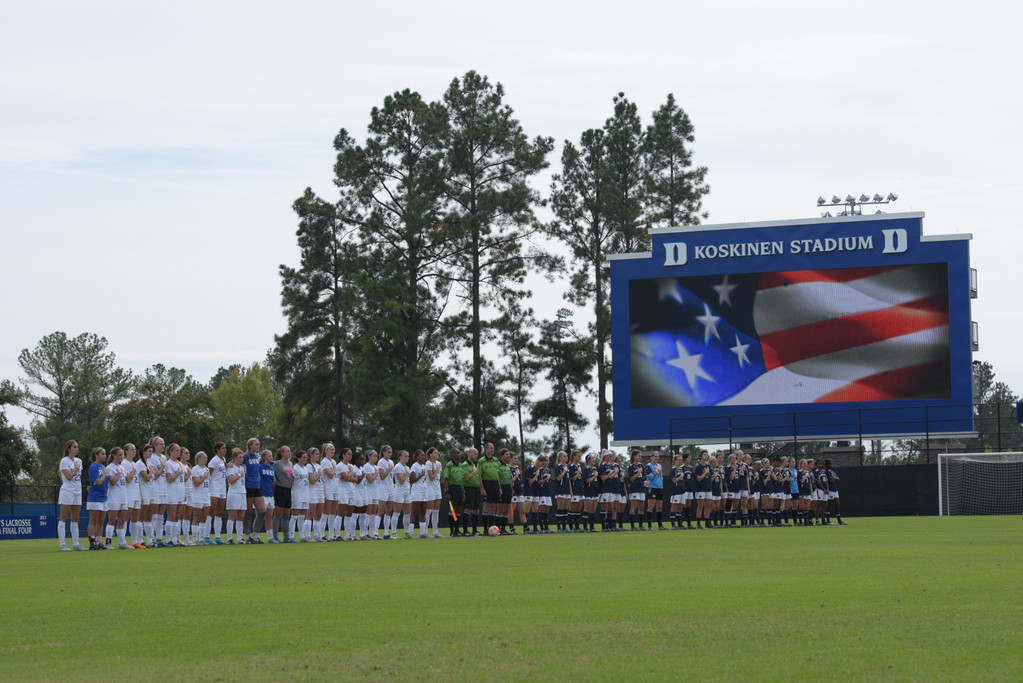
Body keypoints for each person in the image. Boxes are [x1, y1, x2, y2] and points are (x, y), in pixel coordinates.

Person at [57, 440, 85, 551]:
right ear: (68, 449)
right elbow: (69, 477)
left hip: (77, 491)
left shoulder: (79, 461)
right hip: (67, 491)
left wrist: (78, 467)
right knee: (63, 517)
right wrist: (76, 468)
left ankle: (76, 544)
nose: (76, 449)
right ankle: (62, 544)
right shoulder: (64, 461)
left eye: (77, 446)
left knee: (75, 518)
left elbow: (78, 477)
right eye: (74, 447)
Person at [103, 446, 130, 549]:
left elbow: (127, 480)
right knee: (112, 520)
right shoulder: (110, 467)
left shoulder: (122, 467)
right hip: (114, 496)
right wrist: (118, 474)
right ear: (113, 455)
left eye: (122, 455)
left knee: (122, 520)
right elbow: (113, 482)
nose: (121, 457)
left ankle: (122, 542)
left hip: (123, 495)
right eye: (119, 455)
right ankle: (108, 542)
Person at [242, 437, 266, 544]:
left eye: (258, 444)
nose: (258, 446)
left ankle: (256, 535)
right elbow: (236, 463)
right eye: (256, 444)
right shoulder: (245, 456)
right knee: (248, 512)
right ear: (250, 446)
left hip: (257, 485)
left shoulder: (257, 456)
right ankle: (248, 536)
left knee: (262, 511)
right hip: (248, 485)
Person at [86, 447, 109, 550]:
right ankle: (92, 542)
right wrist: (104, 473)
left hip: (103, 497)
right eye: (102, 454)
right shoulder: (93, 467)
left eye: (105, 454)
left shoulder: (103, 466)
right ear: (96, 455)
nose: (104, 455)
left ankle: (99, 542)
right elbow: (98, 482)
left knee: (101, 521)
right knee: (93, 520)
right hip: (95, 497)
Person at [147, 437, 168, 546]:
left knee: (160, 516)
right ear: (155, 445)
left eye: (163, 444)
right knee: (153, 515)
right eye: (160, 444)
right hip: (155, 489)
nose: (163, 446)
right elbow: (155, 476)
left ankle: (159, 538)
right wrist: (163, 465)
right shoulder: (152, 457)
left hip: (163, 489)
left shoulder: (163, 457)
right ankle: (151, 539)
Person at [163, 443, 185, 546]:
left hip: (180, 491)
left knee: (177, 516)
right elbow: (169, 478)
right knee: (171, 515)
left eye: (179, 450)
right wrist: (178, 473)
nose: (178, 452)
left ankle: (176, 538)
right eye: (176, 450)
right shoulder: (169, 463)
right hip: (172, 492)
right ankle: (168, 539)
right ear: (170, 451)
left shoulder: (180, 463)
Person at [122, 443, 143, 548]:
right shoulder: (124, 463)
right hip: (128, 493)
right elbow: (128, 479)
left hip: (136, 494)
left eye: (135, 449)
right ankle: (123, 541)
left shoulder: (134, 463)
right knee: (125, 518)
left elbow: (137, 481)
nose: (134, 451)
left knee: (135, 518)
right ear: (126, 451)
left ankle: (135, 541)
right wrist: (134, 471)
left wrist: (140, 494)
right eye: (131, 449)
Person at [207, 442, 228, 544]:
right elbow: (208, 474)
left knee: (219, 512)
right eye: (223, 448)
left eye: (225, 448)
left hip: (222, 488)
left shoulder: (223, 460)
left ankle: (218, 537)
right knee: (211, 511)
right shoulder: (214, 460)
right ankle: (206, 536)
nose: (225, 450)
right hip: (214, 488)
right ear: (217, 450)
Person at [442, 448, 466, 536]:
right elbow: (446, 479)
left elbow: (462, 480)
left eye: (459, 453)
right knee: (453, 509)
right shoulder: (449, 465)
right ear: (452, 455)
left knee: (459, 509)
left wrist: (463, 492)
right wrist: (447, 492)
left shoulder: (460, 465)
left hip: (459, 488)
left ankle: (457, 529)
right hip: (452, 488)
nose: (459, 454)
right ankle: (452, 531)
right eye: (457, 453)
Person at [478, 442, 501, 532]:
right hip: (486, 484)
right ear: (486, 449)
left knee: (493, 506)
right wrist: (482, 488)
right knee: (486, 506)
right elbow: (479, 475)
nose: (493, 450)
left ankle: (491, 528)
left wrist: (499, 488)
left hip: (495, 484)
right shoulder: (481, 461)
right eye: (491, 448)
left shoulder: (496, 460)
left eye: (493, 448)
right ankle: (485, 528)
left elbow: (497, 475)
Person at [272, 445, 293, 543]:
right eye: (287, 451)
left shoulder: (291, 464)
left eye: (290, 451)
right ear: (282, 453)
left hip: (288, 490)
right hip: (280, 489)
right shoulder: (277, 463)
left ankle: (286, 536)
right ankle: (275, 536)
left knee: (286, 515)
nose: (289, 453)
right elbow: (265, 463)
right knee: (278, 514)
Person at [225, 449, 246, 544]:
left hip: (242, 493)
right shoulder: (230, 467)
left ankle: (239, 538)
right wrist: (238, 474)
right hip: (234, 493)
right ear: (234, 458)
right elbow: (231, 480)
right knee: (232, 515)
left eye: (242, 457)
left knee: (241, 516)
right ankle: (229, 538)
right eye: (239, 457)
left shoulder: (243, 467)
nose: (241, 459)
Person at [191, 451, 212, 544]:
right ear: (198, 459)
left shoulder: (206, 469)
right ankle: (195, 539)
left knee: (204, 518)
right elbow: (196, 483)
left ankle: (201, 538)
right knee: (197, 517)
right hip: (198, 494)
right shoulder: (195, 469)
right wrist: (204, 477)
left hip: (206, 494)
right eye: (203, 457)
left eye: (206, 457)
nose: (205, 459)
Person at [461, 448, 482, 536]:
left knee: (476, 510)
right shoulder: (465, 465)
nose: (477, 456)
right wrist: (473, 472)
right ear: (470, 454)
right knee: (468, 509)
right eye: (475, 454)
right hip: (469, 489)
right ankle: (465, 531)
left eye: (477, 454)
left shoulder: (474, 465)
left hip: (476, 489)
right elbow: (465, 478)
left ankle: (474, 530)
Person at [291, 450, 311, 542]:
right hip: (297, 493)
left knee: (302, 515)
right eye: (303, 457)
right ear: (298, 458)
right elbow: (292, 480)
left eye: (306, 457)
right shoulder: (295, 468)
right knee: (295, 515)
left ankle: (302, 536)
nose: (305, 459)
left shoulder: (306, 468)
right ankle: (291, 536)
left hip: (305, 493)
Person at [408, 449, 429, 538]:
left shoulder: (424, 466)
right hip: (416, 491)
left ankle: (423, 532)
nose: (423, 457)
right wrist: (420, 475)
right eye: (421, 455)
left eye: (424, 455)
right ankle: (411, 532)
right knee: (414, 512)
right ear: (416, 456)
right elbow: (412, 480)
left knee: (423, 512)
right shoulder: (414, 466)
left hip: (424, 490)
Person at [392, 450, 412, 538]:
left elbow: (408, 481)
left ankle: (407, 532)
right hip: (399, 491)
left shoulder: (407, 467)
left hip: (407, 492)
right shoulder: (397, 467)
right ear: (400, 457)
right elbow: (401, 480)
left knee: (407, 514)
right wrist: (407, 473)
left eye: (407, 456)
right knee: (396, 512)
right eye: (405, 456)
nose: (407, 458)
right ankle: (394, 532)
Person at [321, 443, 339, 541]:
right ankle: (322, 534)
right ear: (326, 451)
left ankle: (332, 534)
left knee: (333, 512)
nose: (333, 451)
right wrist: (334, 467)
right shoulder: (324, 462)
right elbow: (330, 475)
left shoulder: (333, 461)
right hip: (328, 488)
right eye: (331, 449)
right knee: (326, 512)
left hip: (335, 488)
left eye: (334, 449)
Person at [376, 445, 395, 539]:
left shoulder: (391, 462)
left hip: (390, 488)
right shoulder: (381, 462)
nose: (390, 454)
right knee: (381, 510)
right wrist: (389, 469)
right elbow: (382, 476)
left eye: (391, 452)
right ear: (383, 452)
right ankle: (375, 533)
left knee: (389, 511)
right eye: (388, 452)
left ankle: (386, 533)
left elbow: (392, 477)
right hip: (383, 488)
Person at [645, 451, 666, 530]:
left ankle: (660, 525)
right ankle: (649, 525)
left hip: (660, 487)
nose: (657, 458)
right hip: (652, 487)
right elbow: (649, 477)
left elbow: (660, 477)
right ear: (652, 457)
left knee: (659, 506)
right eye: (655, 456)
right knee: (651, 506)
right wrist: (655, 472)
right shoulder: (648, 466)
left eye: (658, 456)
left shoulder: (660, 466)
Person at [258, 450, 275, 542]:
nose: (271, 457)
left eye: (271, 455)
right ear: (264, 458)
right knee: (259, 516)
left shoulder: (272, 468)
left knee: (269, 516)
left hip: (270, 494)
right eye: (269, 456)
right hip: (262, 494)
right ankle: (256, 536)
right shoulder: (260, 467)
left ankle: (270, 537)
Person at [626, 450, 646, 530]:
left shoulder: (641, 465)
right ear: (634, 456)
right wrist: (638, 473)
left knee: (641, 507)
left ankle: (641, 525)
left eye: (640, 455)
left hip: (641, 488)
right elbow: (631, 478)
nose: (640, 457)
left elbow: (644, 477)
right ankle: (632, 526)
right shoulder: (631, 466)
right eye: (638, 455)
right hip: (634, 489)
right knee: (633, 507)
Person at [554, 450, 572, 533]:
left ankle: (564, 527)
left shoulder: (567, 466)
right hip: (560, 490)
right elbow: (558, 478)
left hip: (567, 490)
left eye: (566, 456)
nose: (566, 458)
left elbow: (568, 480)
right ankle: (559, 528)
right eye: (564, 456)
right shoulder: (558, 467)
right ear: (560, 457)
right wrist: (564, 471)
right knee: (560, 508)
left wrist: (570, 490)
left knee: (565, 509)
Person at [824, 459, 846, 525]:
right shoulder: (826, 472)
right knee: (829, 504)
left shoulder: (832, 471)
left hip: (835, 489)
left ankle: (839, 520)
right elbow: (831, 481)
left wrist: (835, 479)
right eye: (830, 464)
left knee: (837, 504)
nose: (831, 465)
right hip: (830, 490)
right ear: (827, 465)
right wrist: (835, 479)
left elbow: (837, 479)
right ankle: (827, 520)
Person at [694, 450, 711, 529]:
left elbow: (709, 478)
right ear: (700, 456)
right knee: (700, 506)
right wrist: (705, 473)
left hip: (708, 488)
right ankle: (698, 523)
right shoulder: (698, 467)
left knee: (708, 506)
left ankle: (707, 523)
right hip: (700, 489)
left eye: (706, 455)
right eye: (704, 455)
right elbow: (699, 479)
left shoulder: (708, 466)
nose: (706, 456)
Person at [497, 449, 512, 535]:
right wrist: (499, 488)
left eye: (509, 454)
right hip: (502, 487)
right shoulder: (498, 465)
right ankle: (497, 528)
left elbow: (510, 479)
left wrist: (511, 490)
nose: (508, 456)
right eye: (506, 454)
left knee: (506, 509)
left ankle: (503, 529)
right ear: (501, 456)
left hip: (508, 488)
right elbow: (497, 477)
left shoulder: (507, 466)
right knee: (500, 509)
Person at [567, 450, 583, 532]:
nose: (580, 458)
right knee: (572, 508)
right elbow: (572, 479)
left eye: (580, 456)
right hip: (574, 489)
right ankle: (571, 527)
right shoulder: (570, 466)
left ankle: (577, 526)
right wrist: (578, 472)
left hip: (580, 490)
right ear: (573, 456)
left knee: (578, 509)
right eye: (578, 456)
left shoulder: (579, 465)